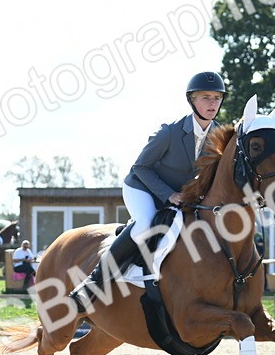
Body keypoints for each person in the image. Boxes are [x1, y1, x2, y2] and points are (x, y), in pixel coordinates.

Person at [71, 71, 225, 309]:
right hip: (142, 187)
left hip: (179, 195)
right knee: (145, 223)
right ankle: (92, 284)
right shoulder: (170, 133)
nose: (212, 103)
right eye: (205, 97)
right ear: (192, 100)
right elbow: (140, 167)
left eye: (216, 98)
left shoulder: (218, 137)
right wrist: (169, 195)